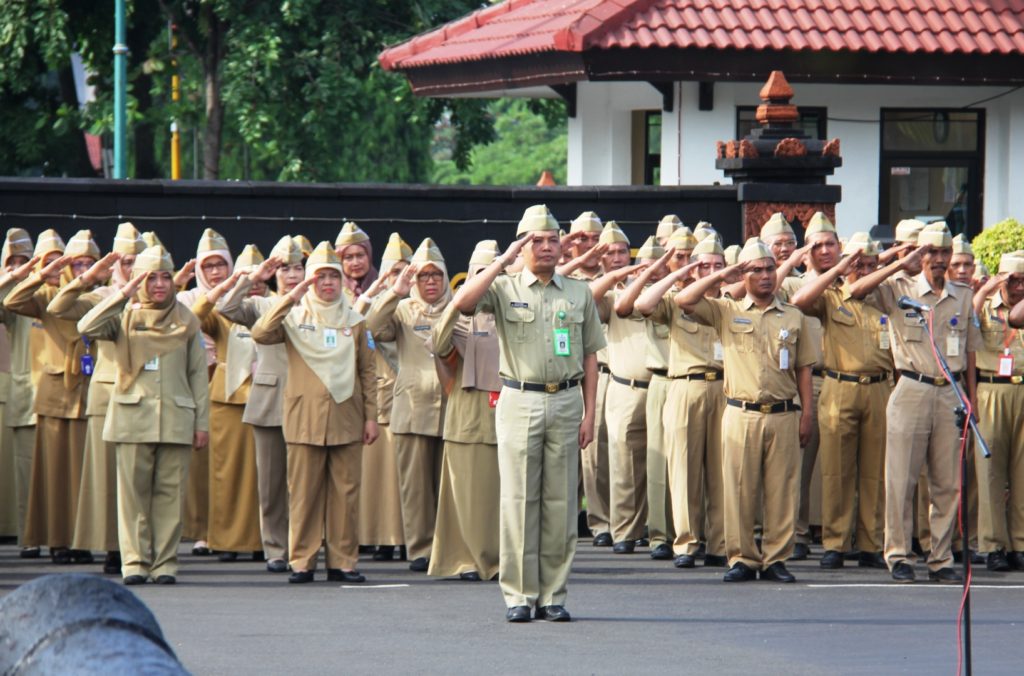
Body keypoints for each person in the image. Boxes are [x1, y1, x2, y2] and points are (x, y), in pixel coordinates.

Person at [453, 204, 605, 623]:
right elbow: (464, 303)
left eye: (552, 240)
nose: (546, 247)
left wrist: (591, 414)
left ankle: (553, 594)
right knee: (519, 499)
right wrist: (502, 261)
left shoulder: (577, 292)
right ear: (522, 246)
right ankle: (519, 594)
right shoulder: (503, 288)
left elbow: (591, 357)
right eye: (535, 241)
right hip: (519, 398)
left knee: (560, 501)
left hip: (566, 399)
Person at [676, 238, 816, 583]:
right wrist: (725, 274)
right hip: (741, 413)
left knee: (783, 489)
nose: (765, 275)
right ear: (745, 274)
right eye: (756, 270)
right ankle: (741, 558)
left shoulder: (794, 316)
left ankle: (775, 557)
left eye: (770, 268)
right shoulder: (727, 310)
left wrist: (807, 414)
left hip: (784, 413)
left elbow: (804, 370)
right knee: (738, 489)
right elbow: (684, 299)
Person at [846, 221, 980, 583]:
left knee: (947, 482)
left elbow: (969, 350)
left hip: (949, 390)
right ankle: (899, 554)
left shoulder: (963, 294)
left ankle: (940, 558)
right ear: (920, 253)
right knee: (901, 479)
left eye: (943, 253)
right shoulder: (899, 288)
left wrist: (972, 400)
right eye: (931, 252)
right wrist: (898, 264)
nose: (937, 260)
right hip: (911, 387)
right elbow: (855, 291)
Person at [76, 244, 209, 584]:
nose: (160, 285)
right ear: (138, 281)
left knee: (169, 496)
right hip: (133, 418)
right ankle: (134, 562)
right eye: (151, 278)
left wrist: (201, 423)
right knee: (132, 497)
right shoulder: (124, 317)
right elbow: (86, 325)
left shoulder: (187, 319)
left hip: (177, 418)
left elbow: (197, 374)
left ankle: (164, 564)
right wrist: (122, 294)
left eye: (166, 277)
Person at [251, 242, 377, 584]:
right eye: (319, 278)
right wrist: (291, 297)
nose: (327, 284)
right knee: (304, 495)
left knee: (346, 495)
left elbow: (367, 370)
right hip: (303, 417)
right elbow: (261, 333)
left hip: (347, 416)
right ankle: (302, 561)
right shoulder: (294, 316)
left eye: (333, 277)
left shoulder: (355, 319)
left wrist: (371, 417)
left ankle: (343, 561)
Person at [47, 222, 147, 575]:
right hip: (108, 393)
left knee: (142, 478)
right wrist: (90, 277)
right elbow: (59, 307)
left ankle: (142, 545)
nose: (132, 267)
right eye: (126, 260)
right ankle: (113, 547)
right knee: (106, 479)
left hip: (148, 397)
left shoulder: (157, 295)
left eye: (138, 259)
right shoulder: (103, 295)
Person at [790, 233, 893, 569]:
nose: (862, 270)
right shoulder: (831, 296)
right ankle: (835, 541)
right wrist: (837, 271)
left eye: (868, 264)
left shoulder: (885, 296)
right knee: (836, 470)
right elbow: (800, 301)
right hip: (840, 384)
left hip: (878, 387)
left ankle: (869, 543)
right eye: (857, 263)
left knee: (874, 471)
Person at [631, 236, 728, 569]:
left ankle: (718, 543)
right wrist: (678, 273)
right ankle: (686, 542)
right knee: (683, 469)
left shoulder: (732, 302)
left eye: (717, 266)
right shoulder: (674, 301)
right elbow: (642, 306)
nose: (710, 271)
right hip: (685, 387)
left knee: (721, 471)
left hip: (724, 389)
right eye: (703, 265)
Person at [4, 229, 98, 565]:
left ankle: (82, 538)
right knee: (55, 475)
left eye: (88, 262)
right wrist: (38, 274)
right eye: (76, 262)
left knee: (84, 476)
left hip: (90, 391)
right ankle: (58, 539)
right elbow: (10, 301)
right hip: (54, 392)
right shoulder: (44, 295)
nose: (78, 268)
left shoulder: (96, 295)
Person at [217, 235, 305, 573]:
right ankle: (276, 549)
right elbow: (225, 308)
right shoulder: (261, 305)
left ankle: (303, 545)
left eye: (298, 267)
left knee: (304, 481)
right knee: (271, 483)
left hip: (309, 401)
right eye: (284, 269)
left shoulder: (318, 305)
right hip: (270, 397)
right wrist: (253, 278)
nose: (292, 274)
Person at [366, 238, 451, 572]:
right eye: (423, 276)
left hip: (450, 407)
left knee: (448, 485)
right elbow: (372, 329)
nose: (430, 282)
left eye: (436, 276)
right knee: (414, 487)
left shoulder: (459, 306)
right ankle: (420, 548)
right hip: (412, 406)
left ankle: (448, 547)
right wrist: (396, 291)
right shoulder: (401, 310)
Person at [427, 240, 502, 582]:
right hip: (468, 415)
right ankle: (465, 560)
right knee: (465, 495)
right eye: (479, 274)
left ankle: (504, 558)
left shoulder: (511, 312)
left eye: (492, 273)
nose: (486, 281)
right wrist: (457, 305)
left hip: (507, 414)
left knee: (502, 495)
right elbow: (439, 345)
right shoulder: (457, 319)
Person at [191, 244, 263, 562]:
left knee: (263, 476)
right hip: (225, 398)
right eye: (242, 276)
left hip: (264, 397)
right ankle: (225, 540)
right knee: (225, 475)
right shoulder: (220, 314)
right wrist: (222, 289)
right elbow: (194, 318)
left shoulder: (269, 307)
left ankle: (261, 540)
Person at [589, 224, 651, 553]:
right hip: (618, 383)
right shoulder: (610, 293)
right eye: (609, 252)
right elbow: (590, 299)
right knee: (619, 462)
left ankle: (651, 529)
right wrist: (617, 275)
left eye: (622, 252)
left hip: (659, 386)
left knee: (655, 463)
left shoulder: (662, 291)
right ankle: (619, 528)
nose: (616, 257)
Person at [612, 236, 674, 560]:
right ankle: (625, 530)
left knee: (666, 463)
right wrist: (642, 278)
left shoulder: (674, 297)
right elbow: (625, 307)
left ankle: (663, 531)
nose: (652, 270)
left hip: (667, 385)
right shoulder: (621, 291)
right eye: (647, 265)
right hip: (628, 388)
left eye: (659, 264)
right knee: (627, 465)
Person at [354, 233, 411, 562]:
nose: (400, 278)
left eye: (405, 270)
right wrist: (380, 292)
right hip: (379, 398)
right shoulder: (378, 305)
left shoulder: (419, 307)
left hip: (408, 398)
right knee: (378, 477)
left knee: (402, 476)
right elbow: (361, 323)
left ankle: (404, 538)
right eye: (393, 271)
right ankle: (380, 538)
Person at [177, 228, 234, 556]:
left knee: (228, 462)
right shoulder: (187, 297)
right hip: (196, 379)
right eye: (209, 266)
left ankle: (226, 529)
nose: (215, 272)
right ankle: (200, 529)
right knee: (200, 461)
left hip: (230, 382)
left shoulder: (239, 296)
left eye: (220, 265)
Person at [973, 251, 1024, 571]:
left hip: (1022, 386)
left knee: (1022, 472)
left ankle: (1019, 542)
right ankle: (992, 544)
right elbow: (964, 322)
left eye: (1023, 280)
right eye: (1012, 279)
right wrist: (986, 289)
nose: (1018, 286)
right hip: (991, 388)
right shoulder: (986, 306)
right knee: (990, 470)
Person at [0, 228, 36, 551]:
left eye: (26, 261)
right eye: (13, 262)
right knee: (25, 474)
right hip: (25, 397)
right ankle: (29, 538)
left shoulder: (44, 296)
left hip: (60, 396)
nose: (20, 267)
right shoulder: (13, 304)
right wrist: (12, 278)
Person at [335, 221, 378, 301]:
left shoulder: (383, 288)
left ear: (369, 256)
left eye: (360, 255)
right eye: (348, 257)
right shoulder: (333, 293)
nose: (355, 263)